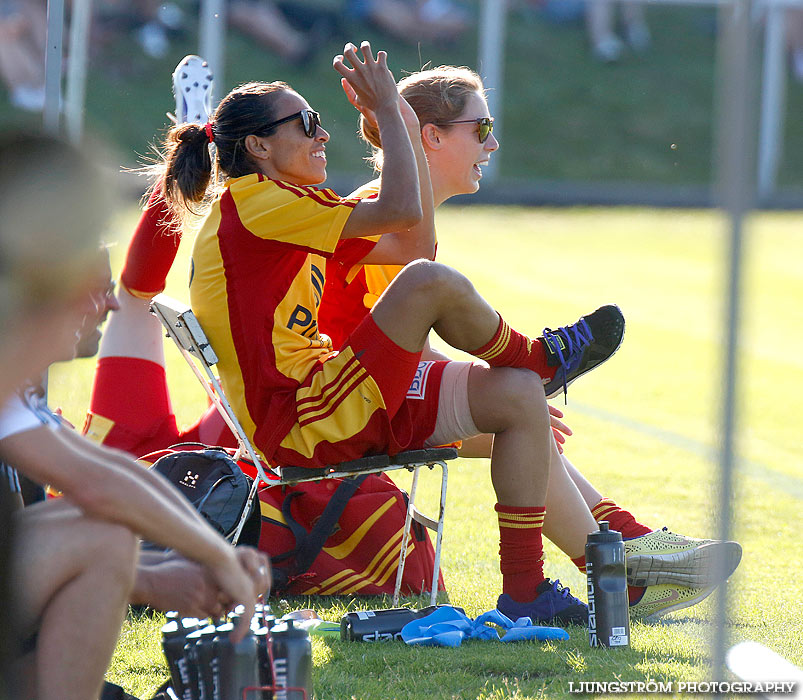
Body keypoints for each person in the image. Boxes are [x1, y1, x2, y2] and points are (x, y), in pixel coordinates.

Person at [148, 39, 631, 626]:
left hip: (329, 400)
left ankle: (527, 593)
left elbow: (410, 244)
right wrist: (393, 120)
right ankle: (538, 358)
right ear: (259, 147)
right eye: (308, 124)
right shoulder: (257, 204)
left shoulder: (288, 203)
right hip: (301, 419)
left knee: (517, 396)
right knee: (432, 287)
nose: (323, 135)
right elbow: (411, 237)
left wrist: (394, 122)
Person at [315, 64, 742, 622]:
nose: (491, 143)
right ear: (432, 136)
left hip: (365, 395)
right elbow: (399, 351)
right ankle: (621, 558)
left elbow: (404, 347)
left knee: (524, 414)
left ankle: (626, 551)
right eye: (481, 127)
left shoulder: (387, 212)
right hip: (352, 407)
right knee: (522, 415)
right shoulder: (384, 216)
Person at [0, 133, 269, 700]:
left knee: (104, 534)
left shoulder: (16, 390)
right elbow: (97, 483)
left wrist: (177, 566)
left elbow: (106, 473)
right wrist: (215, 555)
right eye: (92, 289)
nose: (111, 304)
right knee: (102, 535)